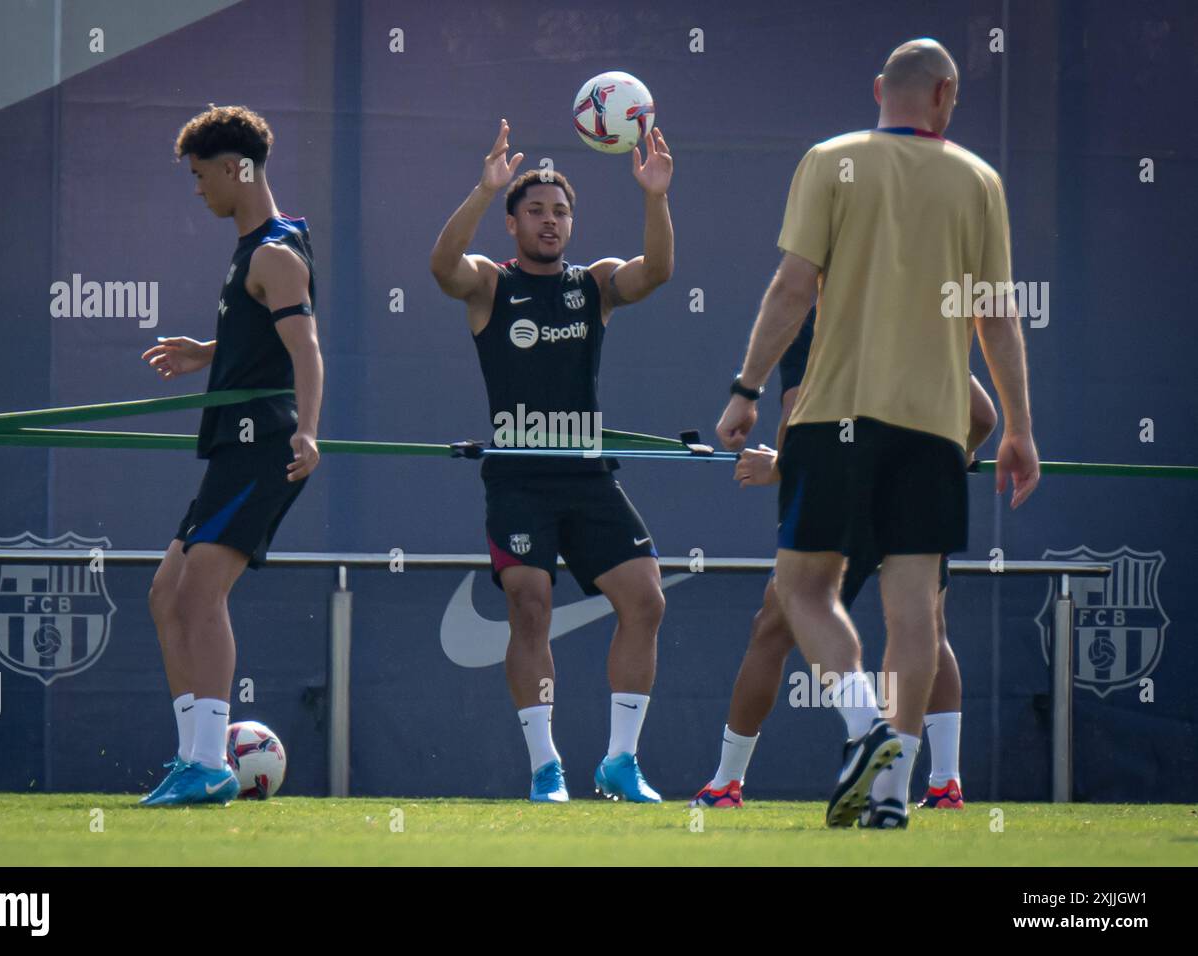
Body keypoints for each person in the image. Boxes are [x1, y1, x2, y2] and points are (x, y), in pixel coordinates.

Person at [715, 39, 1039, 828]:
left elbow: (793, 286)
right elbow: (996, 314)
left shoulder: (830, 159)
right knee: (914, 613)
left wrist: (745, 389)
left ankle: (865, 728)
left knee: (802, 590)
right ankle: (891, 796)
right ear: (946, 96)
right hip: (933, 429)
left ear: (878, 91)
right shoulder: (978, 179)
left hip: (836, 420)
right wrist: (1021, 431)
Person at [430, 119, 674, 802]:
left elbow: (656, 272)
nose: (550, 221)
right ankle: (547, 769)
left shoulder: (593, 283)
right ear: (512, 223)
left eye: (561, 211)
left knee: (646, 601)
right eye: (535, 210)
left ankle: (621, 763)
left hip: (588, 476)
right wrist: (484, 189)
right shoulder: (489, 284)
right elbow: (442, 266)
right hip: (520, 479)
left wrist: (655, 195)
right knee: (529, 605)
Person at [692, 308, 997, 811]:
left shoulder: (808, 318)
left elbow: (796, 413)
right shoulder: (918, 312)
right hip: (918, 490)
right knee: (926, 629)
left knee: (776, 624)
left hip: (841, 493)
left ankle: (728, 783)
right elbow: (983, 416)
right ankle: (941, 784)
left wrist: (779, 468)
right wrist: (953, 453)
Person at [138, 105, 323, 806]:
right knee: (165, 595)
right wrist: (209, 353)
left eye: (200, 175)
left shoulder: (274, 253)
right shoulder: (258, 251)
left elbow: (307, 349)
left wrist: (309, 432)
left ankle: (211, 762)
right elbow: (272, 333)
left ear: (235, 169)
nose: (197, 189)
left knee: (198, 592)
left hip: (263, 449)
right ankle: (194, 756)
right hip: (231, 448)